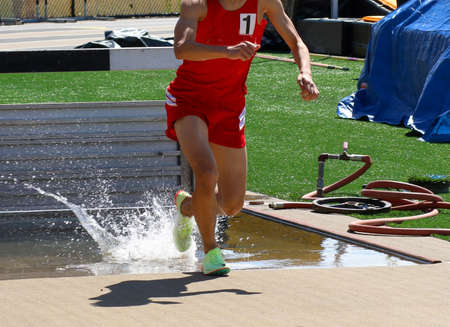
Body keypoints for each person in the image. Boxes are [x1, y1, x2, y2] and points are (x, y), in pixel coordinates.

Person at [165, 0, 319, 276]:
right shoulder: (197, 4)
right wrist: (227, 52)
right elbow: (181, 49)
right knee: (207, 170)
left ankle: (187, 206)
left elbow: (297, 43)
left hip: (229, 104)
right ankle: (211, 252)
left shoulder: (265, 3)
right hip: (189, 99)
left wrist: (305, 72)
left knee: (232, 204)